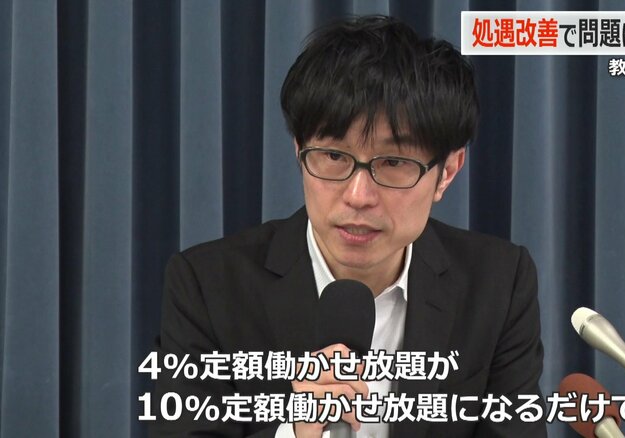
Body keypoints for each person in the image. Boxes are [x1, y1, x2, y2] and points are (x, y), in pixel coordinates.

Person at [150, 15, 545, 438]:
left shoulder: (498, 284)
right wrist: (296, 431)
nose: (358, 195)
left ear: (447, 172)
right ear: (299, 150)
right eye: (334, 157)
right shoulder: (207, 286)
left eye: (393, 162)